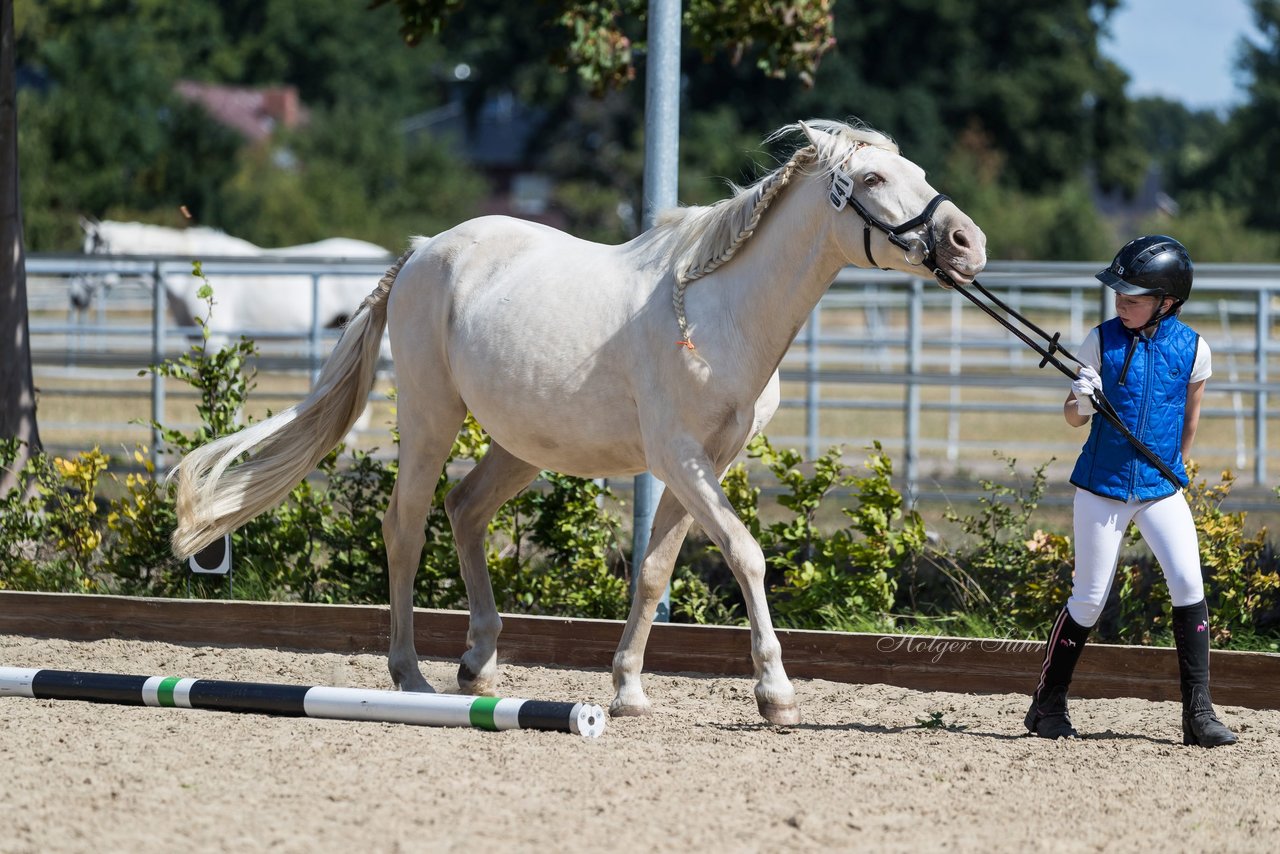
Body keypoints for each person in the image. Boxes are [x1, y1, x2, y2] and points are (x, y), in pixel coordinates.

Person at [1024, 235, 1237, 747]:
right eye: (1119, 293)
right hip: (1102, 486)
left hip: (1160, 487)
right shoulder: (1100, 340)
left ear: (1168, 301)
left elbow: (1188, 426)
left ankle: (1199, 714)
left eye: (1134, 296)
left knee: (1189, 584)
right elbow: (1072, 418)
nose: (1122, 302)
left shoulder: (1195, 351)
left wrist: (1168, 470)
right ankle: (1047, 704)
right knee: (1090, 598)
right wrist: (1083, 401)